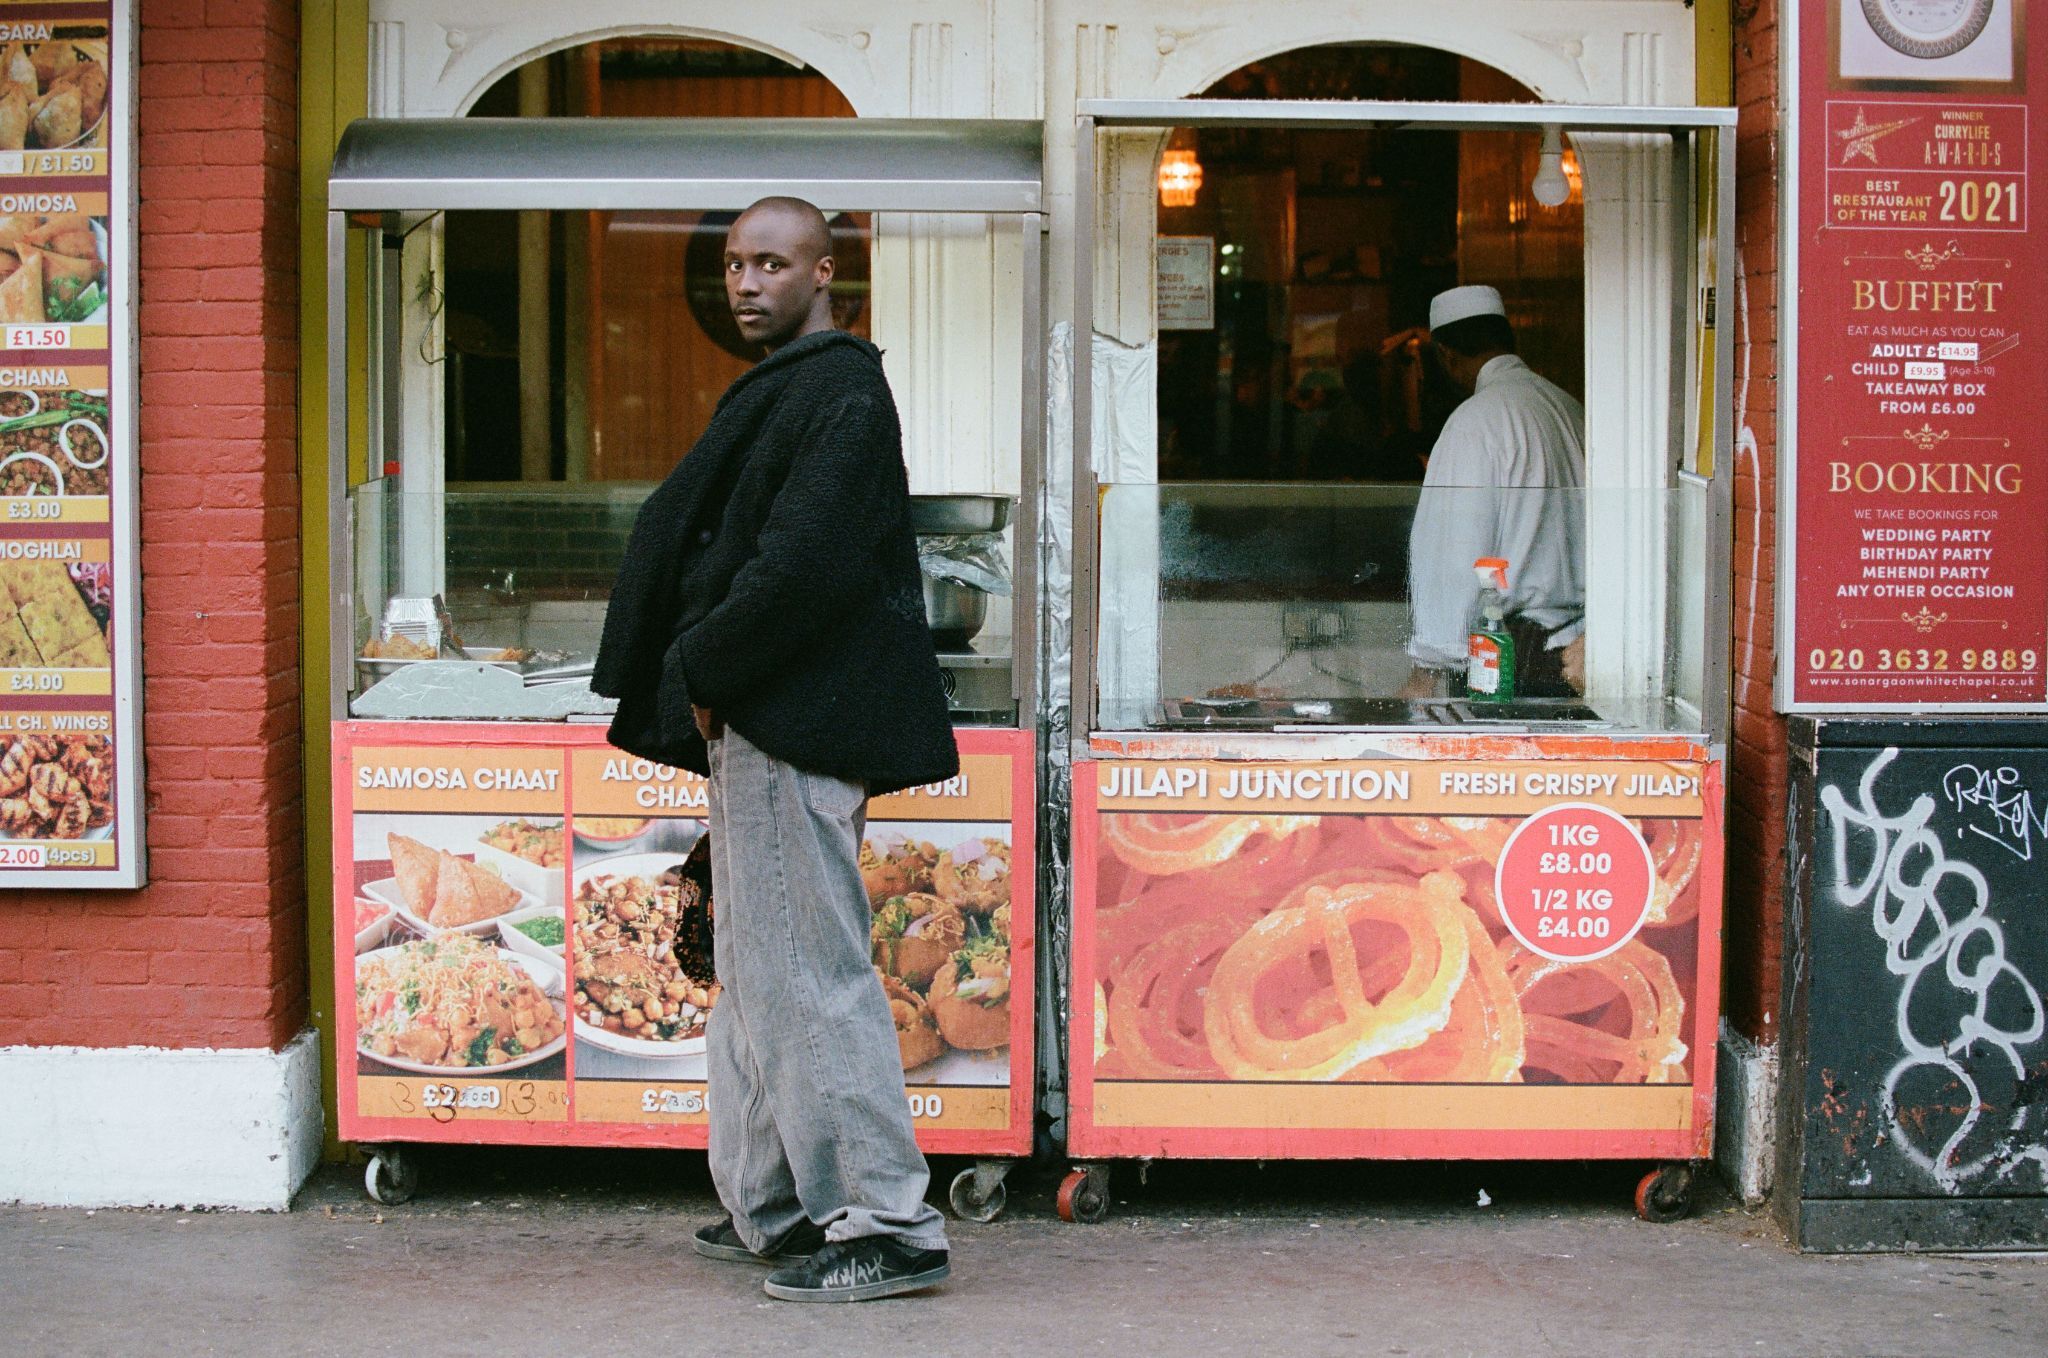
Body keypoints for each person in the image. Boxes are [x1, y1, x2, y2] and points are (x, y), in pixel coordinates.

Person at [592, 196, 957, 1303]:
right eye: (736, 265)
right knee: (757, 969)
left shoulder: (840, 391)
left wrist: (701, 666)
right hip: (761, 717)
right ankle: (778, 1201)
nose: (746, 283)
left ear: (823, 271)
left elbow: (800, 569)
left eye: (770, 263)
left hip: (785, 717)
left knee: (804, 972)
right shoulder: (811, 386)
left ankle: (887, 1222)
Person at [1398, 285, 1587, 700]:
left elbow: (1453, 552)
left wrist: (1428, 668)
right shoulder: (1570, 408)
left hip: (1516, 656)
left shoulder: (1474, 422)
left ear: (1445, 356)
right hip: (1581, 656)